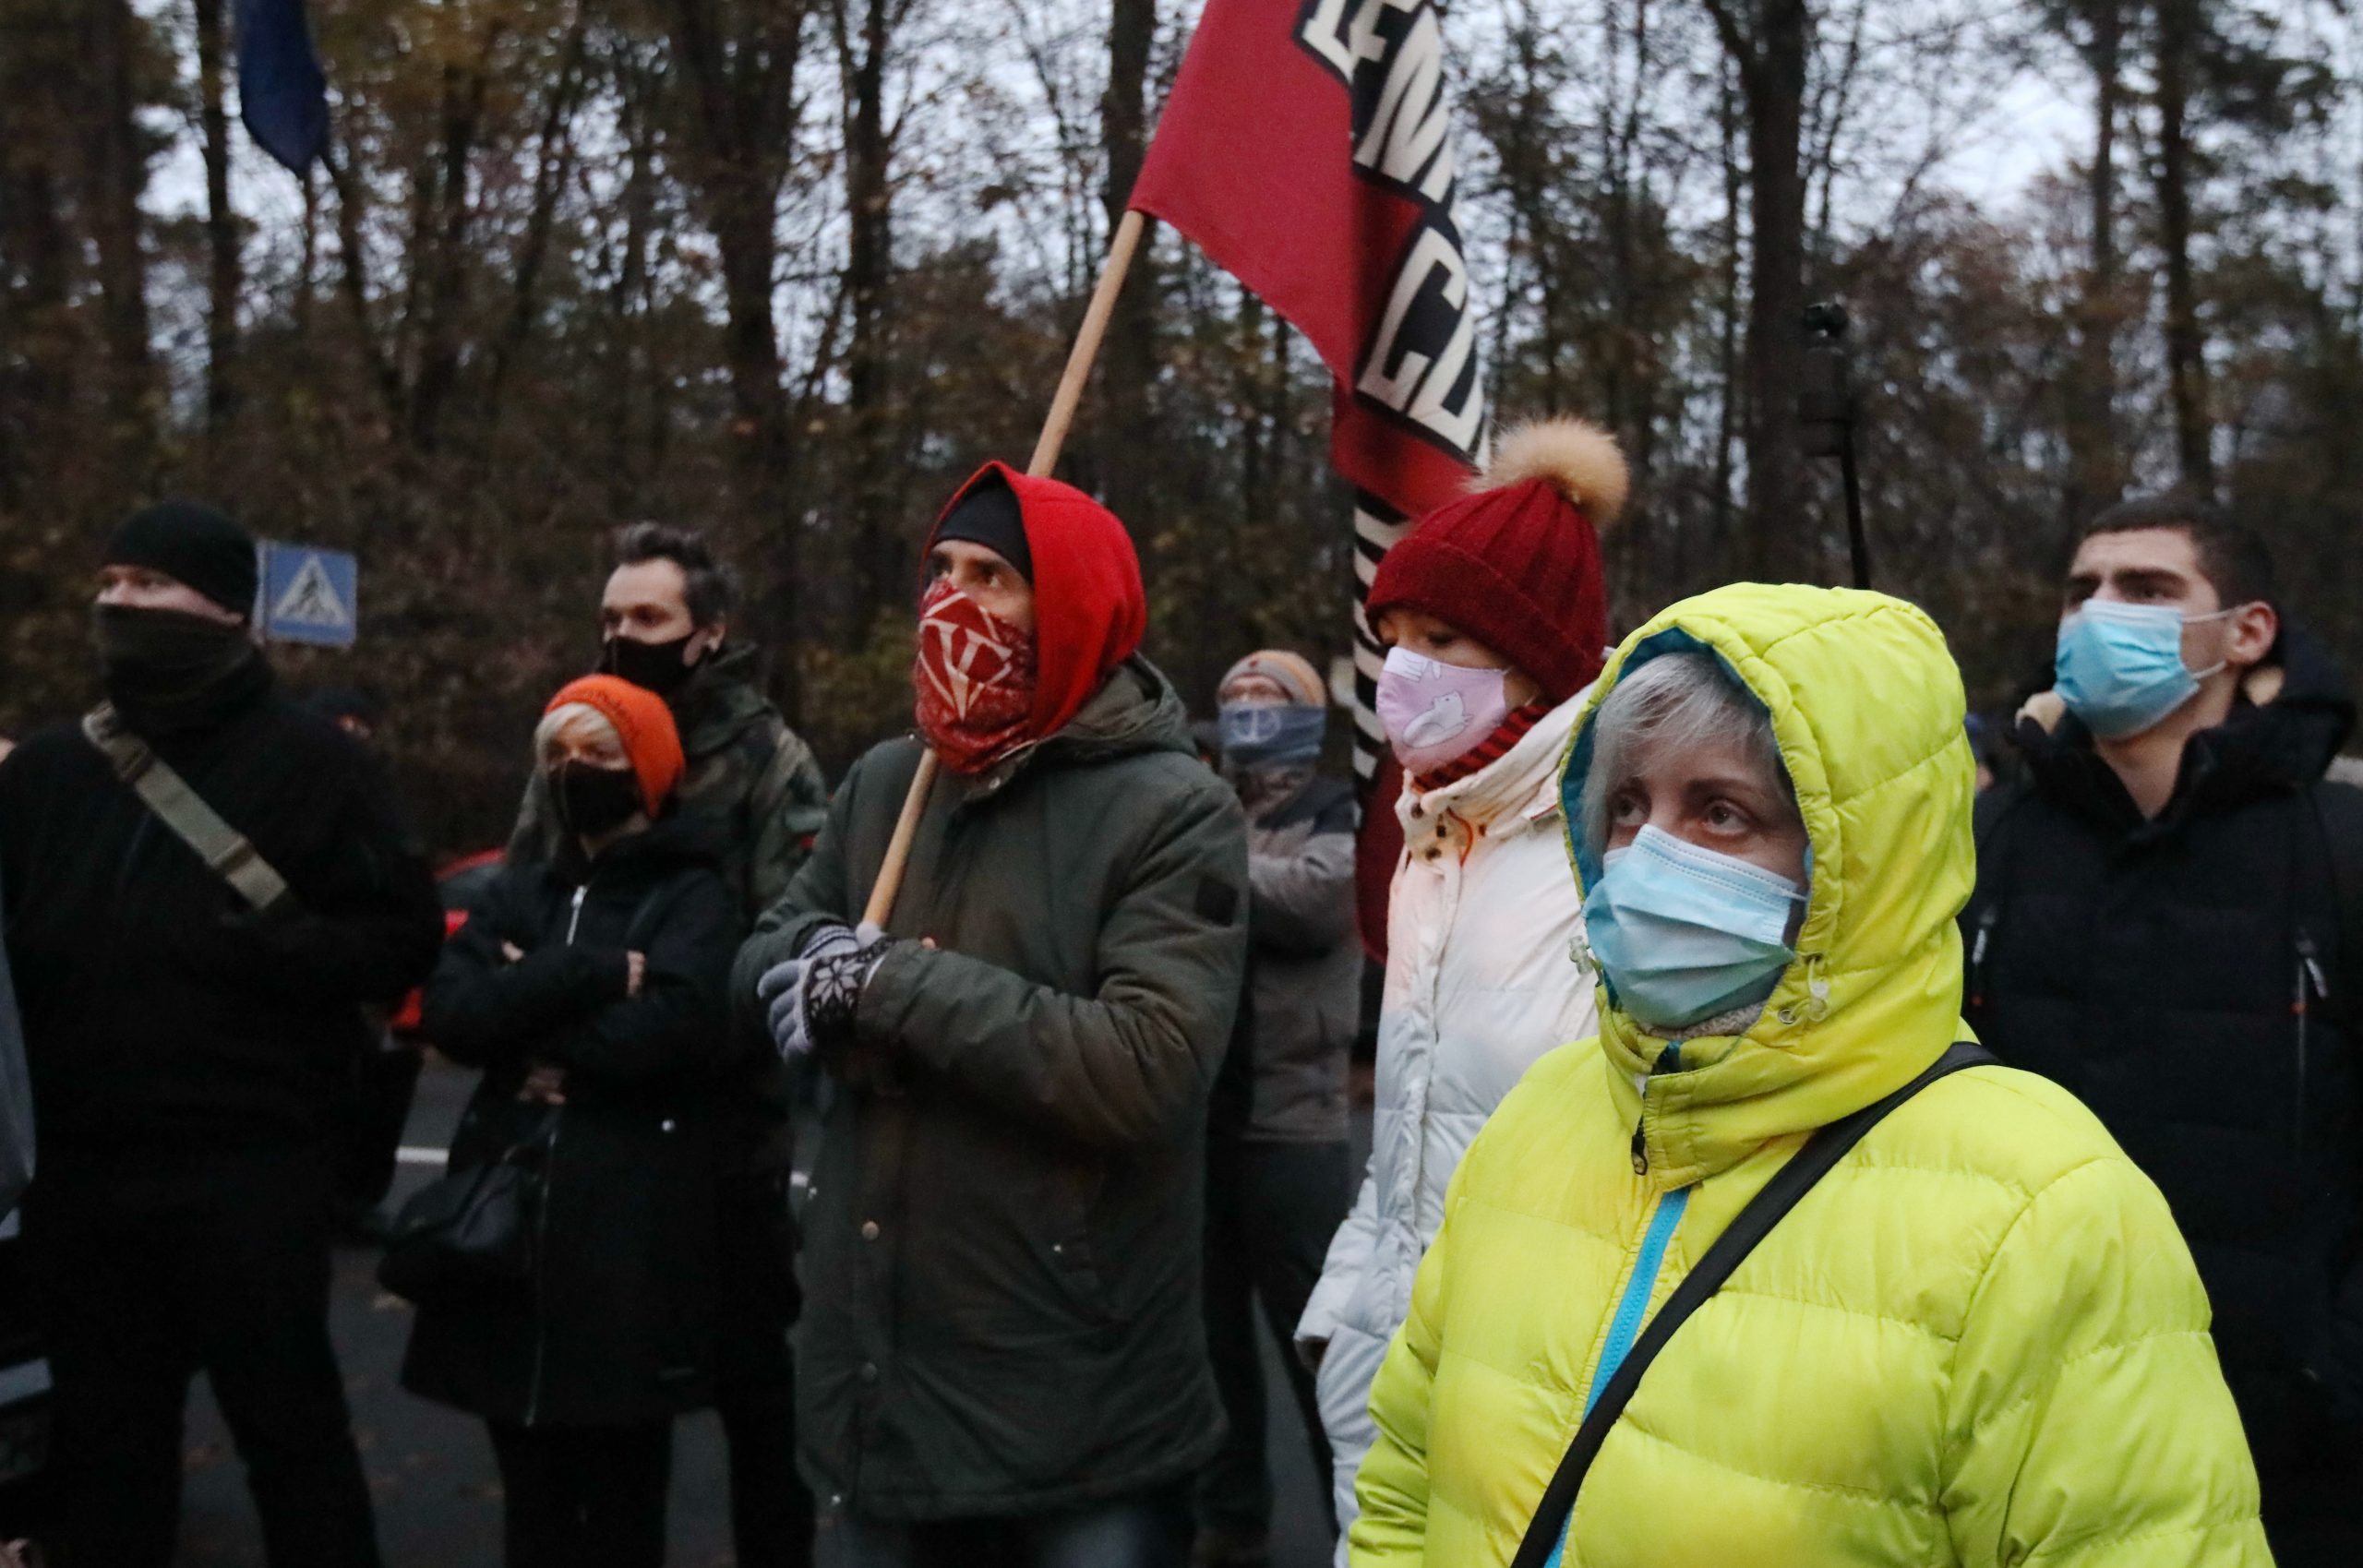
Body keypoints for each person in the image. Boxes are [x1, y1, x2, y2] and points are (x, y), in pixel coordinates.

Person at [1353, 582, 2270, 1566]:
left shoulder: (2047, 1207)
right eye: (1626, 806)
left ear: (1854, 861)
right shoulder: (1542, 1112)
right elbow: (1407, 1485)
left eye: (1720, 810)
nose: (1645, 855)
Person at [734, 461, 1250, 1567]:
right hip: (878, 1375)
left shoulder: (1174, 810)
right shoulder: (886, 781)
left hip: (1075, 1398)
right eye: (942, 571)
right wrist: (815, 960)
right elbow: (768, 949)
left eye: (995, 577)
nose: (951, 602)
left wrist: (889, 985)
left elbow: (1149, 1066)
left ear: (1069, 610)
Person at [0, 500, 443, 1568]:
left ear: (226, 608)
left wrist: (269, 956)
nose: (119, 604)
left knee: (290, 1437)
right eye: (109, 584)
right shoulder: (48, 776)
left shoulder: (317, 766)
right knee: (110, 1456)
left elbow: (403, 938)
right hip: (84, 1176)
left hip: (251, 1170)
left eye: (147, 585)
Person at [1963, 496, 2363, 1565]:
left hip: (2289, 1465)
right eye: (2081, 589)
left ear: (2246, 632)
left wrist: (2334, 1375)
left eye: (2144, 590)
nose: (2098, 613)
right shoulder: (1980, 843)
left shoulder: (2340, 850)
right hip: (2003, 1432)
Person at [1295, 419, 1620, 1550]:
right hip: (1392, 1394)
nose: (1402, 669)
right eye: (1389, 634)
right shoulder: (1432, 833)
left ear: (1538, 658)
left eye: (1444, 636)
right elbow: (1410, 1132)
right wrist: (1351, 1312)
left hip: (1544, 1405)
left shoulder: (1608, 849)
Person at [509, 521, 827, 1566]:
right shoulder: (574, 733)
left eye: (648, 617)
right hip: (591, 1125)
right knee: (601, 1400)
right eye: (610, 617)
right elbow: (526, 905)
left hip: (724, 1122)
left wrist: (671, 1034)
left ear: (708, 633)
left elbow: (790, 930)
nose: (623, 634)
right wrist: (570, 1034)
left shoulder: (770, 758)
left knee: (751, 1384)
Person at [403, 675, 743, 1568]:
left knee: (625, 1502)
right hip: (504, 1244)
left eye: (597, 752)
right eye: (557, 754)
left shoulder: (693, 894)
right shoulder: (522, 888)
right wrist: (586, 974)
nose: (574, 770)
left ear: (646, 768)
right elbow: (455, 1014)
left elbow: (672, 1030)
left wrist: (530, 1009)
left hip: (628, 1245)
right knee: (532, 1509)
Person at [1196, 651, 1359, 1565]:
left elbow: (1316, 899)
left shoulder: (1331, 810)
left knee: (1316, 1342)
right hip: (1204, 1116)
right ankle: (1230, 1518)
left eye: (1268, 700)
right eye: (1234, 701)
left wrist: (1204, 871)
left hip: (1293, 1120)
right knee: (1212, 1338)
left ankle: (1359, 1518)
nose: (1249, 714)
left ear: (1304, 716)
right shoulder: (1208, 808)